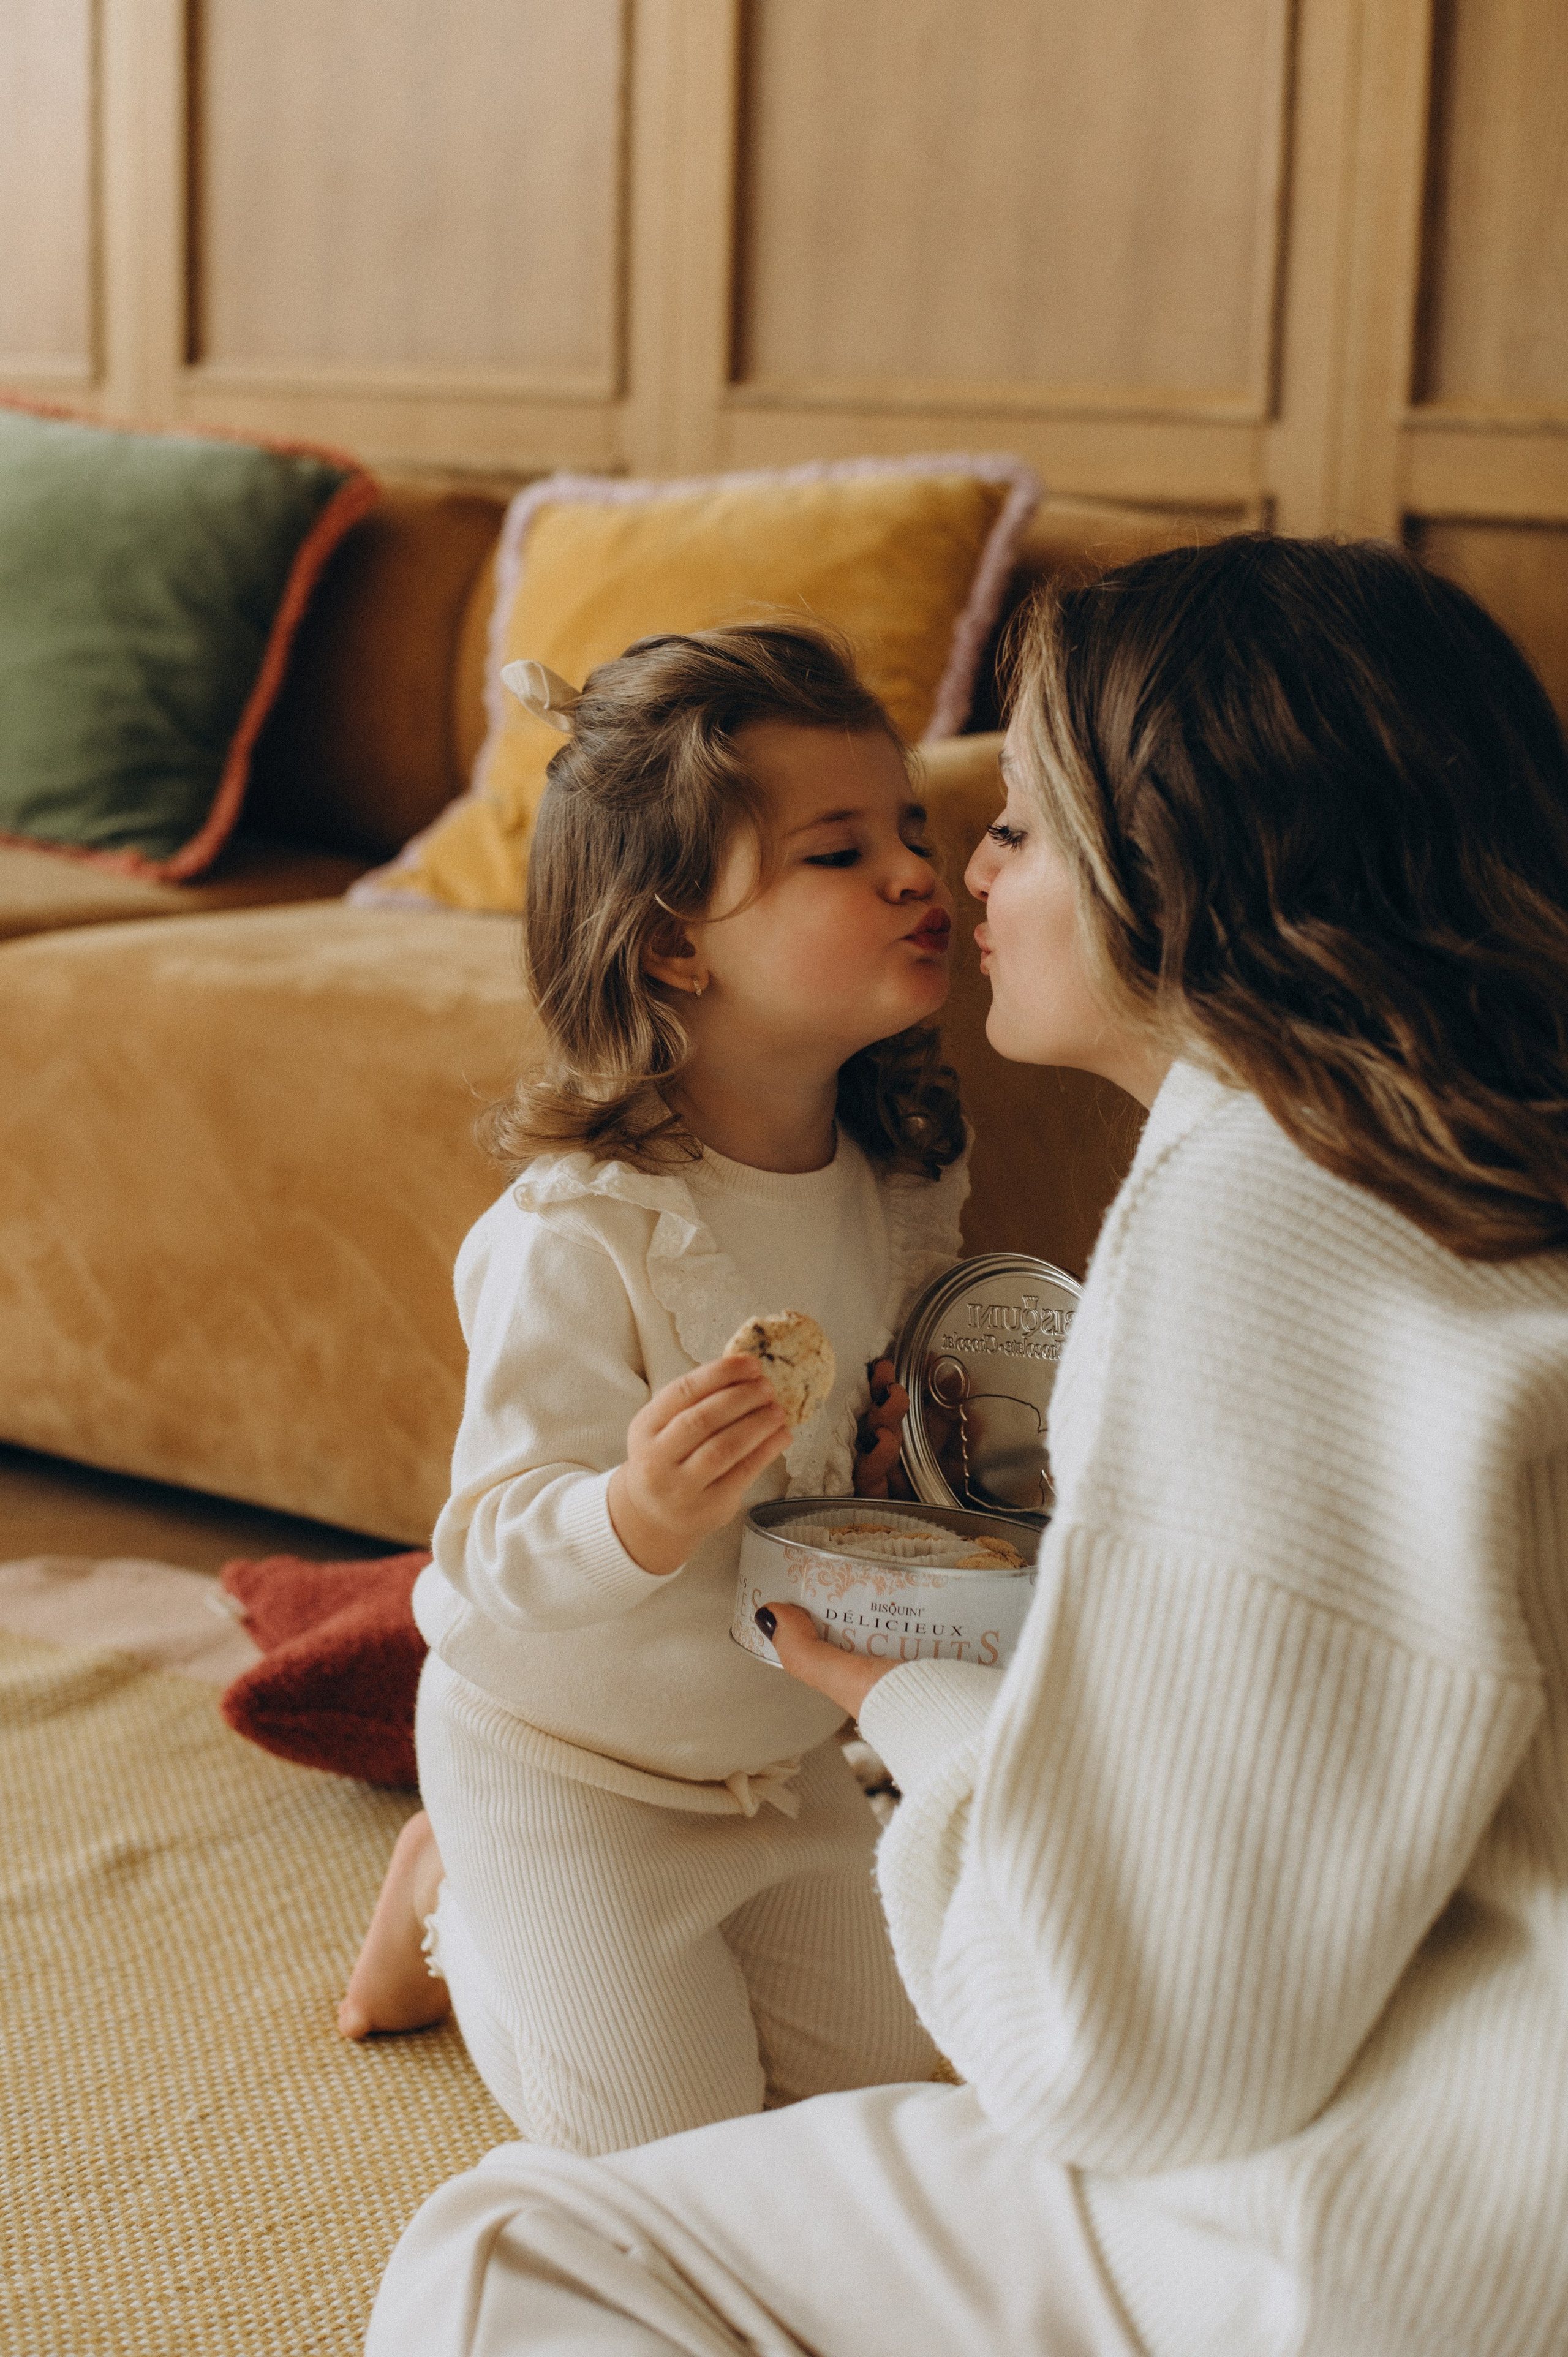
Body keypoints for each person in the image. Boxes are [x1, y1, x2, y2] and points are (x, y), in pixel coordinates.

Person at [363, 537, 1568, 2357]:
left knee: (512, 2251)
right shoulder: (1456, 1174)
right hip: (596, 1752)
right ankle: (474, 1894)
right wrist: (687, 1536)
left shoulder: (1249, 1217)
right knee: (654, 2129)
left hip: (1385, 2227)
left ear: (1180, 860)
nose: (958, 874)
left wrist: (907, 1695)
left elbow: (1103, 2042)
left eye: (1004, 824)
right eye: (871, 845)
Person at [339, 621, 968, 2154]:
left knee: (910, 2089)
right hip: (565, 1760)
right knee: (659, 2148)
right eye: (840, 853)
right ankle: (454, 1893)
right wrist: (635, 1508)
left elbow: (865, 1468)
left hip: (776, 1759)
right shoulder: (580, 1233)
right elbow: (488, 1545)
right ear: (677, 946)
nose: (915, 873)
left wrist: (897, 1469)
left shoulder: (901, 1183)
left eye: (912, 830)